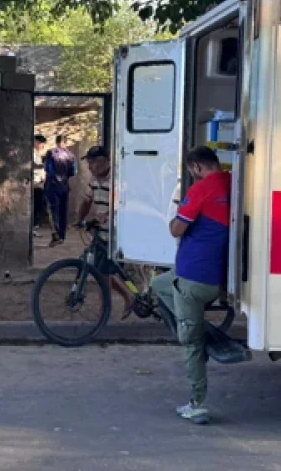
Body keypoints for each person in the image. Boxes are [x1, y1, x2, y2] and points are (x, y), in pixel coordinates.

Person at [151, 146, 230, 425]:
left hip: (193, 276)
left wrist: (177, 213)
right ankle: (195, 324)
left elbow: (176, 228)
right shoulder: (232, 182)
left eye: (191, 171)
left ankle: (197, 404)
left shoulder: (200, 190)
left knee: (192, 344)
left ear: (196, 167)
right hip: (215, 274)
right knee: (158, 284)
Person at [76, 145, 135, 318]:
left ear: (104, 162)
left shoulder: (117, 179)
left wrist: (106, 215)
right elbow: (87, 200)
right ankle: (127, 297)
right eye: (88, 162)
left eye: (92, 162)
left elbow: (120, 204)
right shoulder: (94, 180)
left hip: (117, 233)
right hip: (101, 232)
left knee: (105, 274)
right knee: (102, 272)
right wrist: (79, 219)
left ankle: (105, 311)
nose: (89, 166)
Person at [43, 135, 77, 246]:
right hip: (64, 185)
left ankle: (56, 236)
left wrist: (55, 177)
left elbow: (48, 169)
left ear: (56, 142)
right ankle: (62, 236)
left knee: (53, 211)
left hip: (52, 185)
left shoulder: (51, 153)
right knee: (63, 211)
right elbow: (73, 172)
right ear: (65, 143)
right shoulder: (71, 155)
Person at [33, 135, 48, 232]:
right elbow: (32, 165)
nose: (42, 147)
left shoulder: (37, 153)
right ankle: (33, 226)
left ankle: (34, 226)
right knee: (37, 206)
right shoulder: (32, 153)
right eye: (42, 145)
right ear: (37, 142)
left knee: (39, 206)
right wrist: (45, 166)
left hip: (39, 183)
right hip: (35, 184)